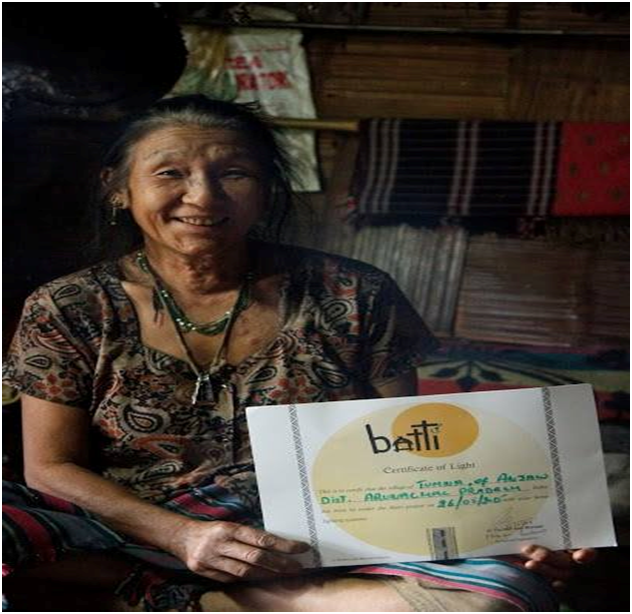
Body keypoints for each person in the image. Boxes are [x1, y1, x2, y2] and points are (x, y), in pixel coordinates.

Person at [2, 95, 595, 612]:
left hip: (313, 539)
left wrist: (516, 526)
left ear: (266, 191)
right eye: (170, 172)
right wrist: (182, 535)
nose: (202, 195)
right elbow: (49, 467)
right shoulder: (70, 306)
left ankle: (215, 598)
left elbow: (410, 456)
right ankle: (215, 591)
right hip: (128, 527)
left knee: (500, 595)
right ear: (118, 187)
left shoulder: (355, 293)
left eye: (234, 173)